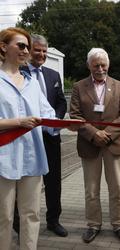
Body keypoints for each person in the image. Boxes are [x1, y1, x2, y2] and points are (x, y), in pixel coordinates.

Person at [0, 27, 58, 250]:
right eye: (21, 46)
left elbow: (48, 115)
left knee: (31, 215)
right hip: (4, 158)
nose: (27, 51)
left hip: (33, 157)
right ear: (4, 47)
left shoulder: (32, 83)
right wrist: (18, 122)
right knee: (3, 217)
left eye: (28, 47)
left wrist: (68, 125)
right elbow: (23, 121)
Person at [69, 48, 120, 244]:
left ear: (108, 65)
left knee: (118, 188)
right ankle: (93, 224)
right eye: (96, 65)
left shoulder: (119, 85)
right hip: (90, 145)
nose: (100, 69)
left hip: (114, 144)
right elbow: (75, 115)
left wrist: (108, 134)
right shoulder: (79, 87)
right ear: (89, 66)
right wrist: (95, 134)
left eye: (103, 65)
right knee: (91, 190)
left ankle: (119, 224)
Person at [13, 34, 68, 237]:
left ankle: (54, 220)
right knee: (25, 181)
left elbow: (61, 102)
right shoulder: (18, 72)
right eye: (37, 50)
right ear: (29, 51)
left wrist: (56, 121)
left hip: (51, 138)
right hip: (26, 138)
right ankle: (19, 224)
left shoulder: (53, 75)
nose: (41, 54)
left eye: (44, 51)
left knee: (54, 181)